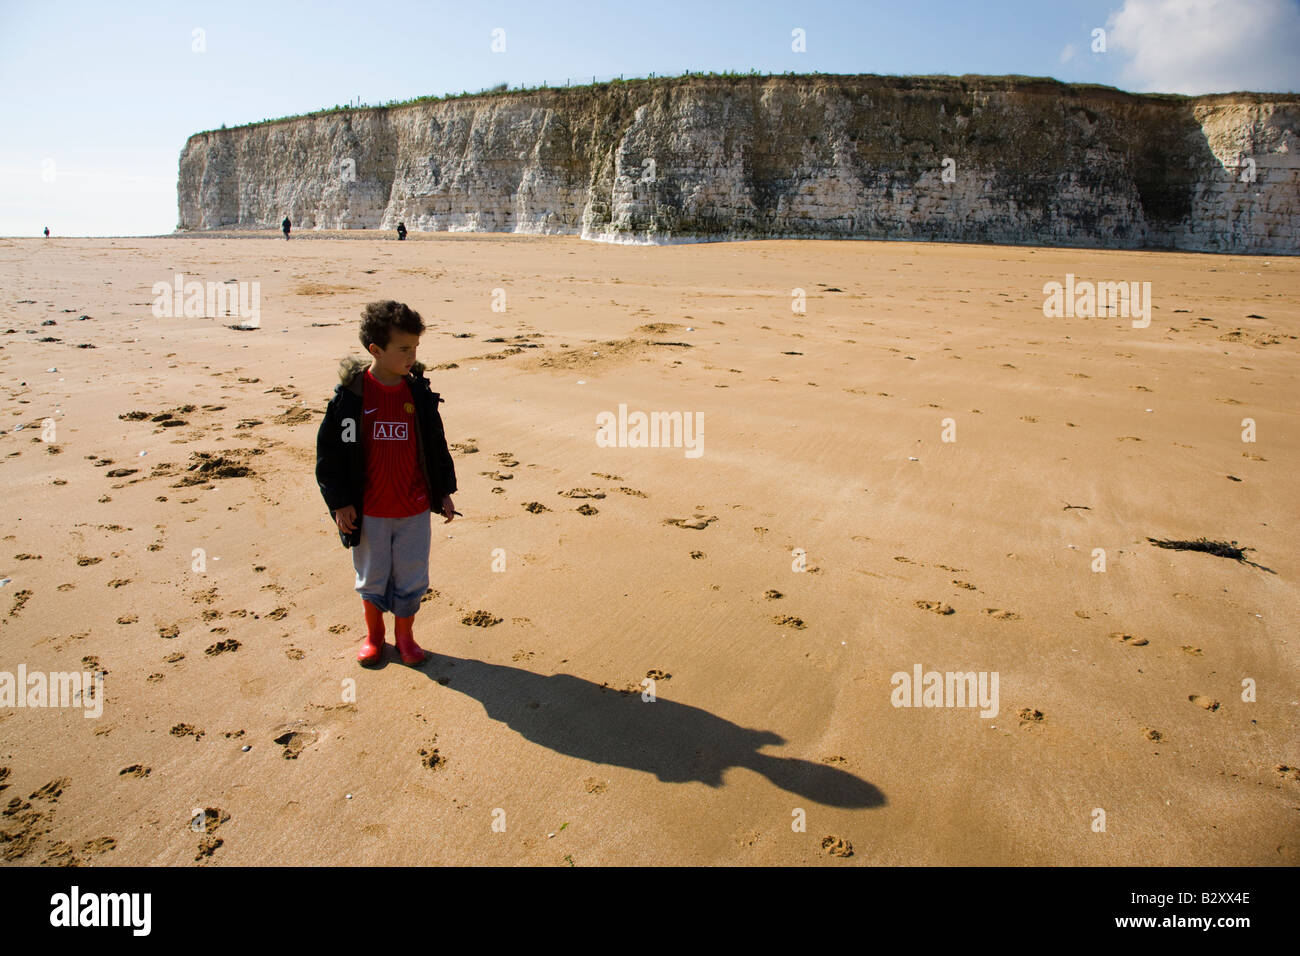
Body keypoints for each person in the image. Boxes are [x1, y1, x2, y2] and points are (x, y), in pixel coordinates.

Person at [315, 300, 458, 666]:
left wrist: (442, 491)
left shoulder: (418, 395)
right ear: (375, 350)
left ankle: (405, 637)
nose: (411, 356)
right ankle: (375, 636)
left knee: (412, 576)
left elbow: (435, 446)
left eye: (415, 349)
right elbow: (330, 455)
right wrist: (340, 502)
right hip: (370, 512)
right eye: (403, 349)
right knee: (372, 577)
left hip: (412, 509)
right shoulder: (351, 399)